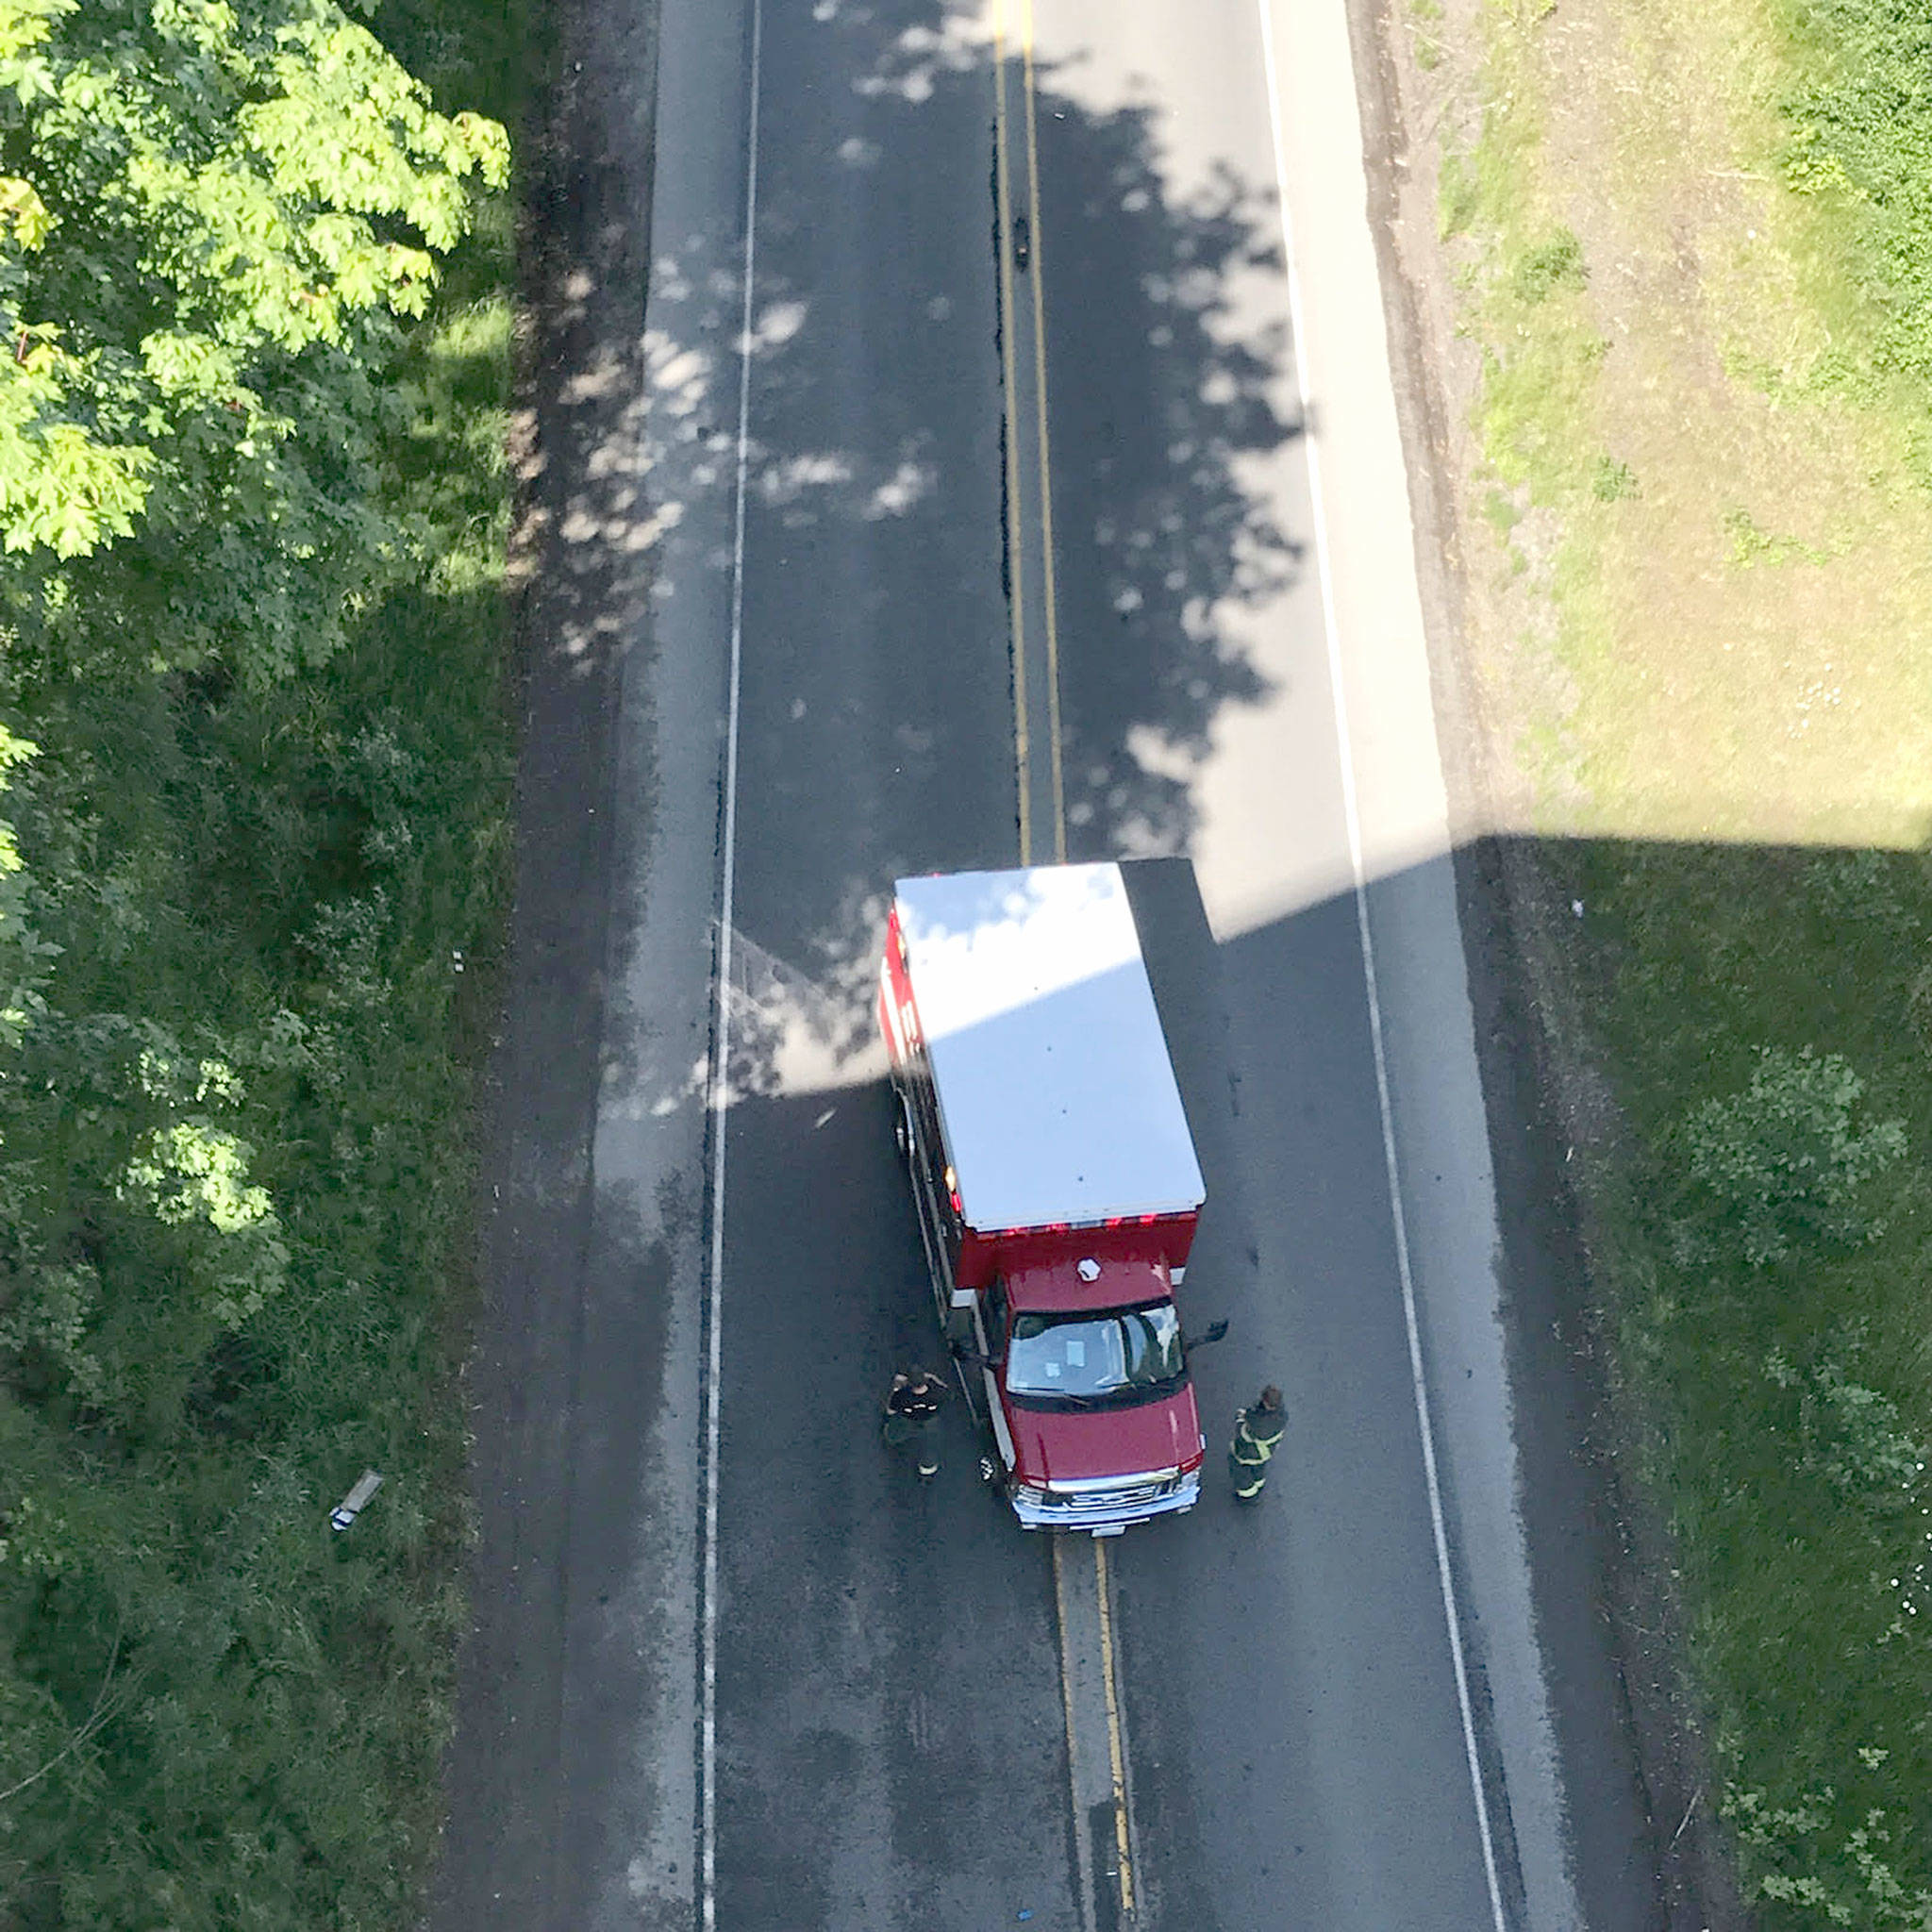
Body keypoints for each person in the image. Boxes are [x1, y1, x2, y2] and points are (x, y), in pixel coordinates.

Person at [883, 1368, 947, 1479]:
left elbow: (890, 1411)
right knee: (930, 1443)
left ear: (909, 1383)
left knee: (894, 1433)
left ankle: (893, 1439)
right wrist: (933, 1378)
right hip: (930, 1420)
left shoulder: (902, 1395)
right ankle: (927, 1469)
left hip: (908, 1420)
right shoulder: (938, 1392)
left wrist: (896, 1387)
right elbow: (945, 1389)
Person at [1229, 1385, 1286, 1503]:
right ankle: (1259, 1482)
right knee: (1258, 1467)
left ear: (1265, 1401)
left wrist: (1240, 1420)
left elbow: (1245, 1435)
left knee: (1240, 1471)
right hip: (1266, 1451)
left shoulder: (1260, 1423)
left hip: (1250, 1451)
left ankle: (1248, 1495)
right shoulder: (1282, 1414)